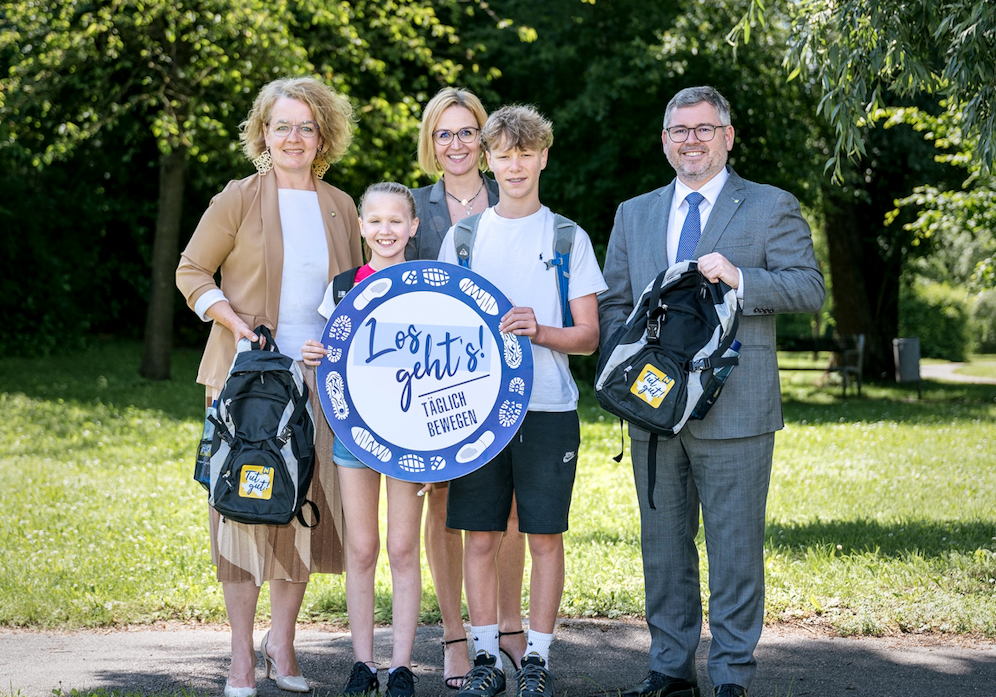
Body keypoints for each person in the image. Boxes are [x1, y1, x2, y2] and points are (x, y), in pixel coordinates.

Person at [598, 86, 826, 697]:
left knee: (734, 550)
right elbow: (616, 301)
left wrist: (741, 277)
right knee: (663, 549)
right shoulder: (635, 212)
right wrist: (621, 380)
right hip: (653, 410)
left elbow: (809, 289)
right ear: (665, 140)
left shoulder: (770, 206)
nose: (690, 140)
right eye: (678, 130)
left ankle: (730, 676)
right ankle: (671, 670)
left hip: (739, 408)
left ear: (727, 136)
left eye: (702, 129)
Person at [176, 76, 362, 697]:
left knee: (300, 510)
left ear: (323, 136)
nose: (293, 137)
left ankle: (282, 645)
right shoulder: (239, 197)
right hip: (246, 384)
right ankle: (238, 658)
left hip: (317, 384)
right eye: (281, 125)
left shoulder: (341, 205)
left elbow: (354, 292)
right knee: (243, 511)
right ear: (263, 133)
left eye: (306, 126)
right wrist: (235, 323)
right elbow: (192, 270)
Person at [437, 105, 607, 697]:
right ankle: (485, 659)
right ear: (488, 160)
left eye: (525, 153)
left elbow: (588, 337)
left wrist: (542, 330)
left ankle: (535, 658)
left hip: (548, 410)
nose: (515, 165)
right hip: (475, 414)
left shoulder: (567, 236)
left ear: (542, 157)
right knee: (480, 537)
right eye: (503, 154)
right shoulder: (461, 238)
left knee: (544, 538)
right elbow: (440, 331)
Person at [408, 87, 528, 689]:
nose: (456, 144)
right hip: (433, 380)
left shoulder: (513, 191)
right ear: (431, 143)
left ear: (485, 139)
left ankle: (510, 631)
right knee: (443, 505)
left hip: (496, 376)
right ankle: (455, 636)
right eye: (443, 133)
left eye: (466, 132)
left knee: (504, 507)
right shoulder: (412, 208)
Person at [301, 182, 425, 697]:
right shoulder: (343, 286)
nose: (385, 230)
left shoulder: (429, 284)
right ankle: (361, 662)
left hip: (409, 433)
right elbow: (333, 362)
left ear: (413, 227)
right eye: (375, 221)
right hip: (355, 432)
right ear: (361, 227)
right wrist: (315, 357)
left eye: (396, 221)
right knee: (361, 545)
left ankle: (400, 666)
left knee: (401, 546)